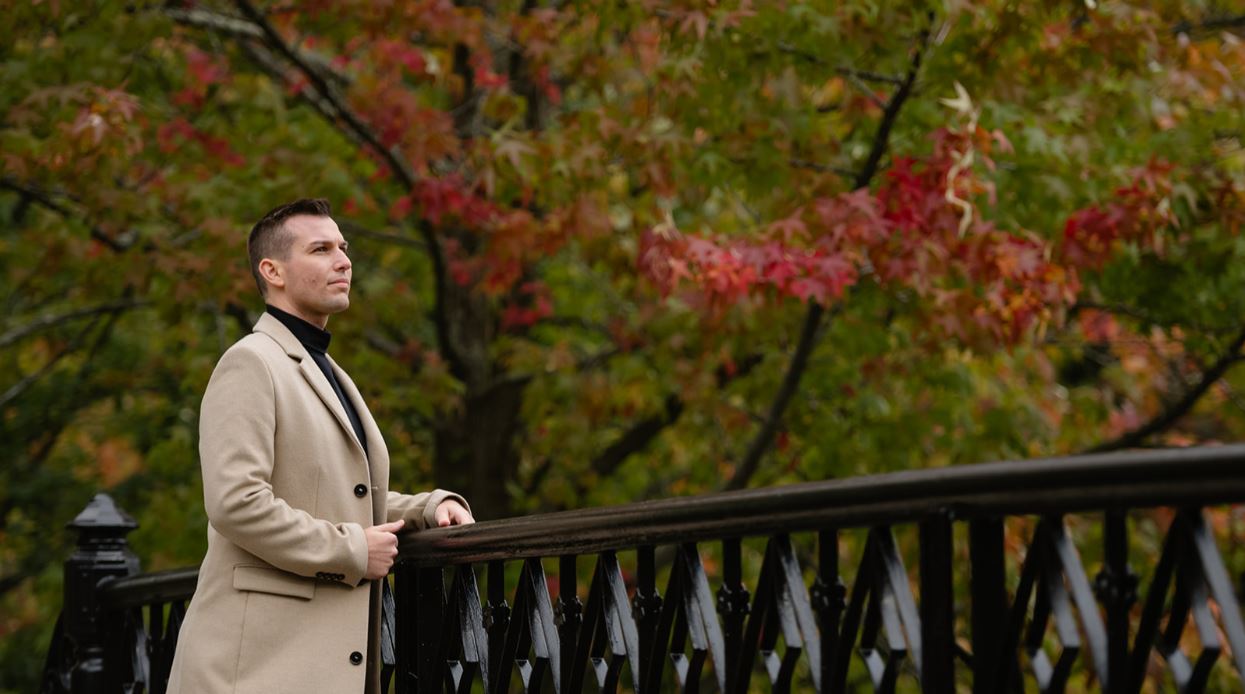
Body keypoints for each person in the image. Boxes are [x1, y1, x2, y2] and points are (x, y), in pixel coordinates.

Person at [166, 198, 473, 694]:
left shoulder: (324, 369)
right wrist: (351, 549)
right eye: (321, 249)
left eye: (344, 248)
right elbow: (235, 503)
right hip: (251, 672)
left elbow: (334, 492)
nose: (344, 260)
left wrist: (425, 508)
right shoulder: (250, 362)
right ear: (273, 271)